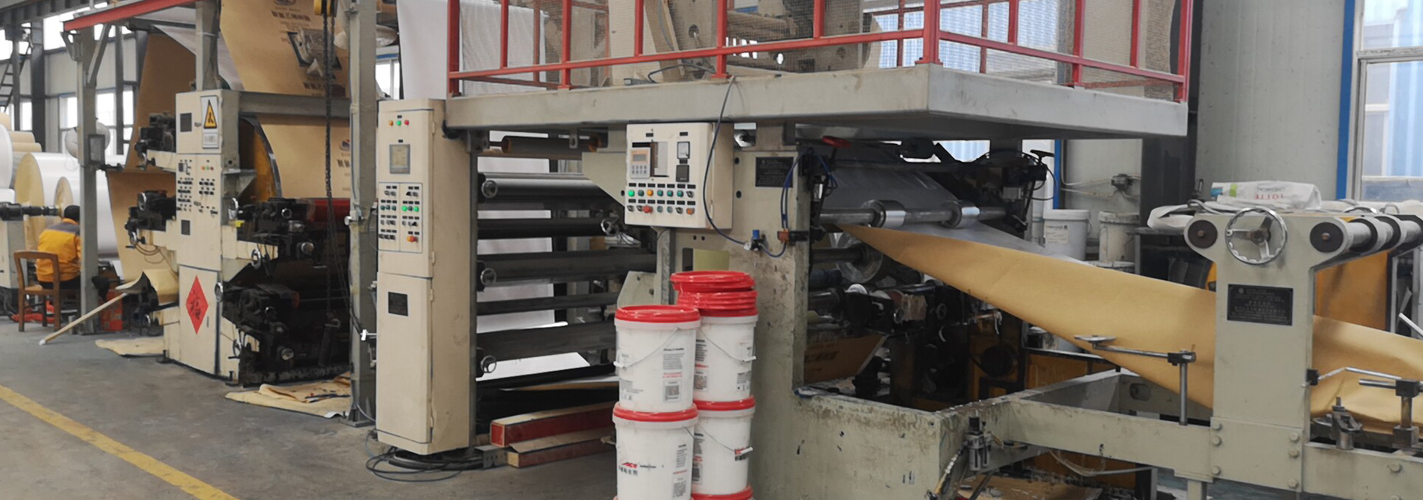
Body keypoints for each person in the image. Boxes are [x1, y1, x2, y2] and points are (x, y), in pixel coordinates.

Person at [36, 205, 82, 290]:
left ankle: (65, 298)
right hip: (65, 281)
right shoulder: (78, 231)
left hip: (43, 280)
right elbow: (84, 258)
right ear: (81, 218)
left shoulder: (47, 230)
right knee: (93, 282)